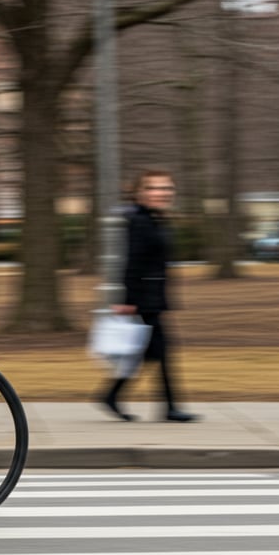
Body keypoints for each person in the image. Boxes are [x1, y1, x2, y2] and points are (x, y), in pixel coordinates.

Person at [100, 170, 198, 423]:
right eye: (155, 188)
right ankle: (169, 407)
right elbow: (132, 262)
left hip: (153, 298)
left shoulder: (154, 219)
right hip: (144, 300)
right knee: (161, 353)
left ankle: (111, 395)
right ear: (141, 193)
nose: (163, 193)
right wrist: (128, 300)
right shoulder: (140, 221)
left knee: (147, 353)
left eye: (167, 188)